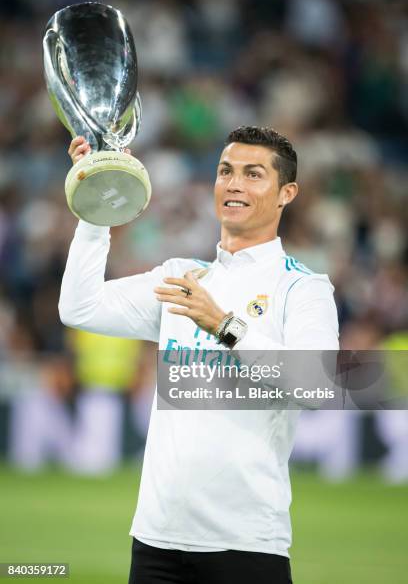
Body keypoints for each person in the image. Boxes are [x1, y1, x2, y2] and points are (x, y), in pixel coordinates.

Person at [59, 126, 339, 584]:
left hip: (246, 544)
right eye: (225, 171)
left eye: (253, 174)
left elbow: (316, 386)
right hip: (155, 540)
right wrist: (95, 205)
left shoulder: (302, 288)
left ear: (287, 193)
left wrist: (224, 326)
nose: (234, 183)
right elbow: (78, 307)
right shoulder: (184, 277)